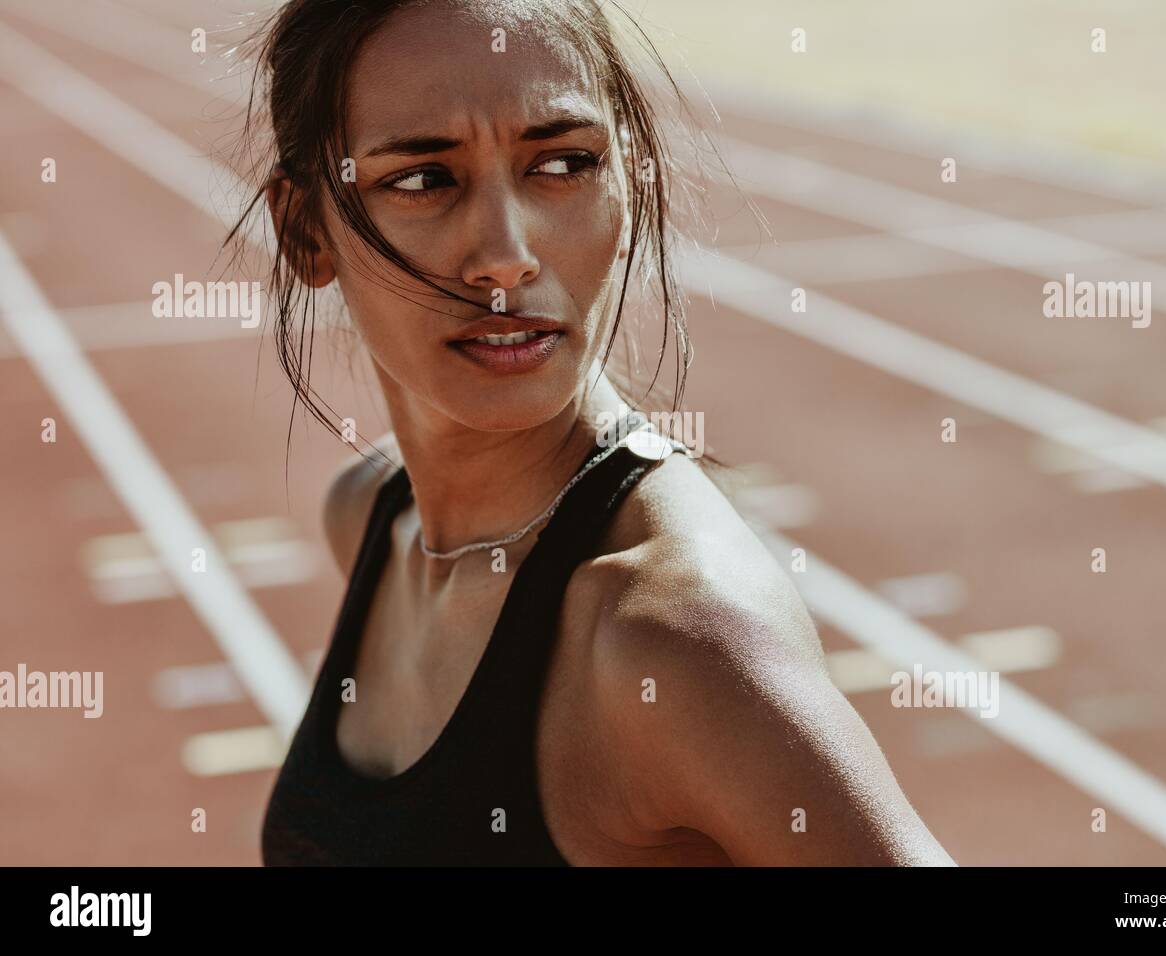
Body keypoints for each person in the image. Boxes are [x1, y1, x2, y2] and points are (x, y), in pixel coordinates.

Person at [227, 0, 954, 866]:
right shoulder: (372, 518)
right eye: (425, 179)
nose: (506, 253)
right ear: (305, 230)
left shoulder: (669, 637)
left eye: (564, 164)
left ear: (628, 176)